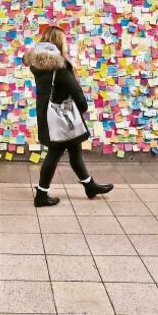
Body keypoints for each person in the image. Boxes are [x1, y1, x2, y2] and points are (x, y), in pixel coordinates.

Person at [23, 26, 113, 207]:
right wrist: (82, 106)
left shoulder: (37, 65)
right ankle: (41, 195)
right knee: (54, 154)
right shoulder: (61, 67)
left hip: (47, 116)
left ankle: (89, 186)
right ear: (59, 43)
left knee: (75, 150)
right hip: (62, 120)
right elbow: (79, 98)